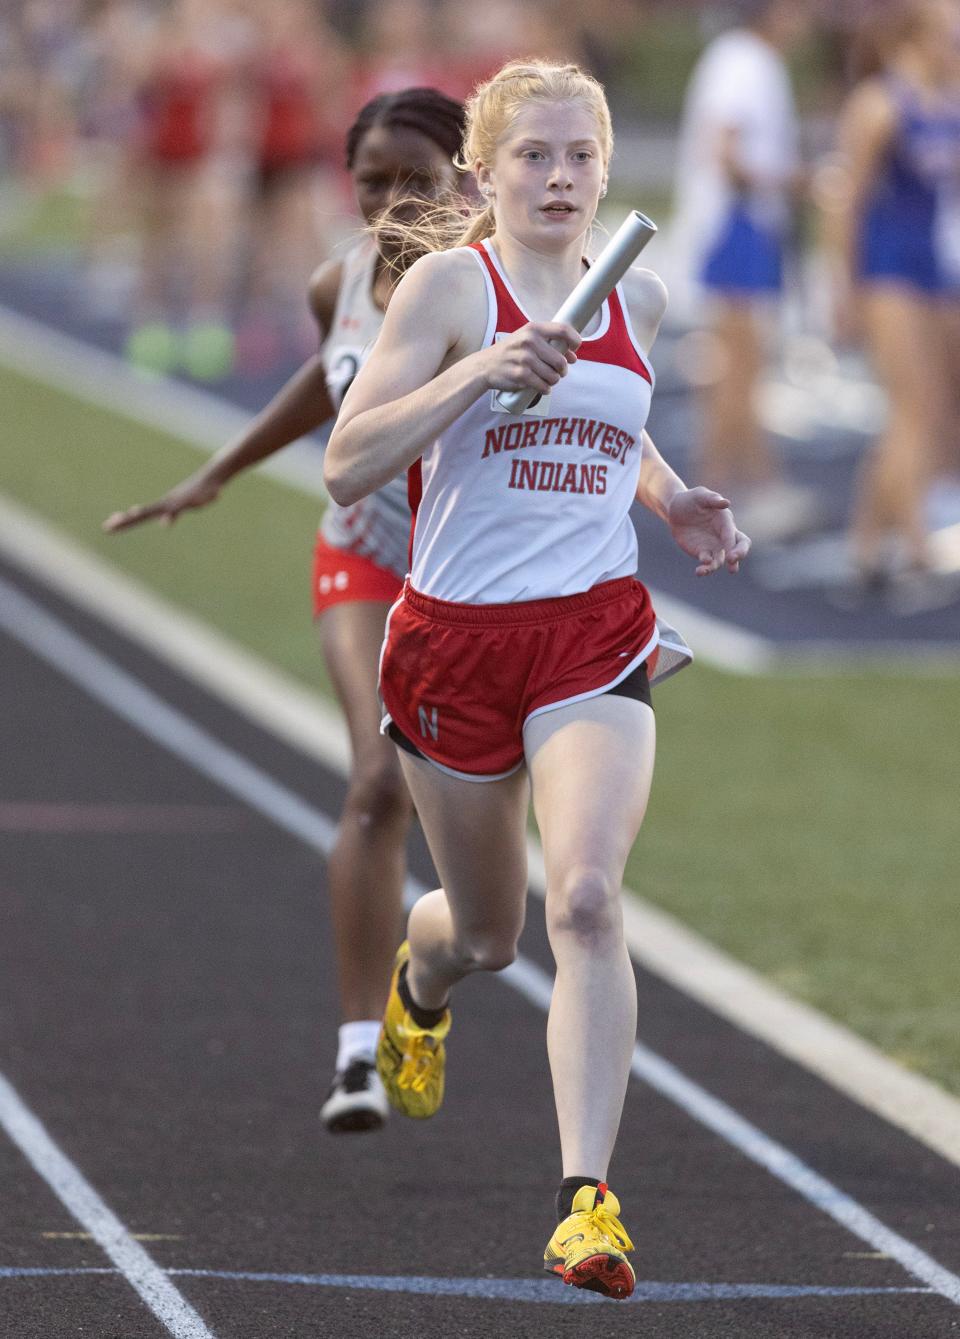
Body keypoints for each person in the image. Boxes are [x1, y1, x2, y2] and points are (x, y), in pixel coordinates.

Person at [324, 59, 750, 1299]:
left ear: (607, 170)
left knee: (588, 904)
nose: (559, 179)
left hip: (591, 632)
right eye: (533, 157)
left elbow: (618, 422)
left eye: (578, 157)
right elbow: (351, 466)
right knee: (493, 933)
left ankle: (586, 1207)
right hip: (453, 641)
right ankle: (421, 977)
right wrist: (480, 370)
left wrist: (672, 500)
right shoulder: (454, 287)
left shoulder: (642, 294)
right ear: (483, 173)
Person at [103, 87, 469, 1133]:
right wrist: (215, 470)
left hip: (473, 581)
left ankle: (424, 988)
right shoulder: (338, 279)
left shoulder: (492, 286)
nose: (395, 200)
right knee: (373, 778)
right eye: (373, 182)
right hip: (363, 560)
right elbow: (329, 375)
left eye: (418, 180)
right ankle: (359, 1053)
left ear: (464, 179)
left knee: (485, 875)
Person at [670, 0, 816, 543]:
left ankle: (723, 485)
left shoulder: (739, 57)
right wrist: (795, 179)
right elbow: (728, 151)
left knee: (735, 363)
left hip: (738, 224)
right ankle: (754, 485)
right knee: (742, 362)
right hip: (736, 224)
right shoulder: (747, 62)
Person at [828, 0, 960, 592]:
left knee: (926, 411)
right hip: (888, 272)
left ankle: (864, 544)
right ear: (919, 37)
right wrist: (844, 288)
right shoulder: (883, 103)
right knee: (912, 410)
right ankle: (913, 543)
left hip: (934, 269)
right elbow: (846, 200)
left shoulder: (946, 98)